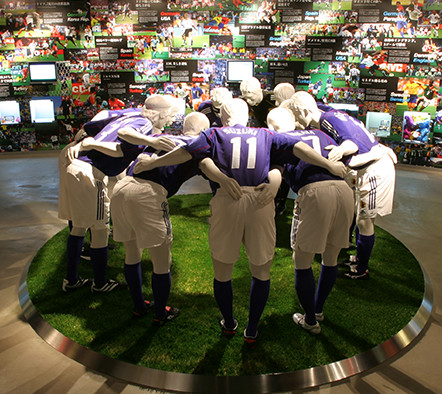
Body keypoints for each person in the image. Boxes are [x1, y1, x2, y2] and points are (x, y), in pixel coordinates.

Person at [133, 98, 347, 345]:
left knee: (223, 271)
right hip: (260, 199)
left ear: (223, 117)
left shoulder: (214, 133)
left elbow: (186, 152)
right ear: (248, 116)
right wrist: (328, 164)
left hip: (228, 199)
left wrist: (153, 161)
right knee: (261, 271)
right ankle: (252, 329)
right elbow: (298, 147)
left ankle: (230, 321)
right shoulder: (264, 133)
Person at [58, 95, 176, 294]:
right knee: (101, 229)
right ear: (160, 114)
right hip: (90, 171)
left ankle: (71, 279)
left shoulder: (128, 114)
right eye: (168, 117)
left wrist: (84, 141)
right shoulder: (144, 124)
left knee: (78, 227)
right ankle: (100, 283)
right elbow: (123, 137)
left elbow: (99, 121)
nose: (168, 122)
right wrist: (150, 141)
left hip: (74, 165)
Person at [110, 112, 210, 325]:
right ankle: (160, 313)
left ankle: (139, 306)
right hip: (148, 193)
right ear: (204, 130)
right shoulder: (196, 142)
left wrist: (150, 143)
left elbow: (123, 132)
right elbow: (188, 154)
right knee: (162, 260)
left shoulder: (166, 137)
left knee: (132, 252)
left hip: (122, 188)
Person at [286, 92, 397, 280]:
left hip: (372, 170)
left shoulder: (327, 120)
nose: (298, 122)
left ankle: (361, 268)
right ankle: (358, 258)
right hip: (368, 167)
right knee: (359, 216)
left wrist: (341, 151)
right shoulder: (327, 112)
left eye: (297, 116)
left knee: (365, 220)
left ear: (304, 111)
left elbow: (352, 145)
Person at [266, 108, 355, 334]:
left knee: (302, 258)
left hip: (315, 193)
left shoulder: (277, 139)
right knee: (331, 257)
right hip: (344, 191)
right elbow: (349, 145)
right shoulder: (320, 133)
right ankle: (317, 311)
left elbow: (300, 149)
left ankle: (310, 320)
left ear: (270, 126)